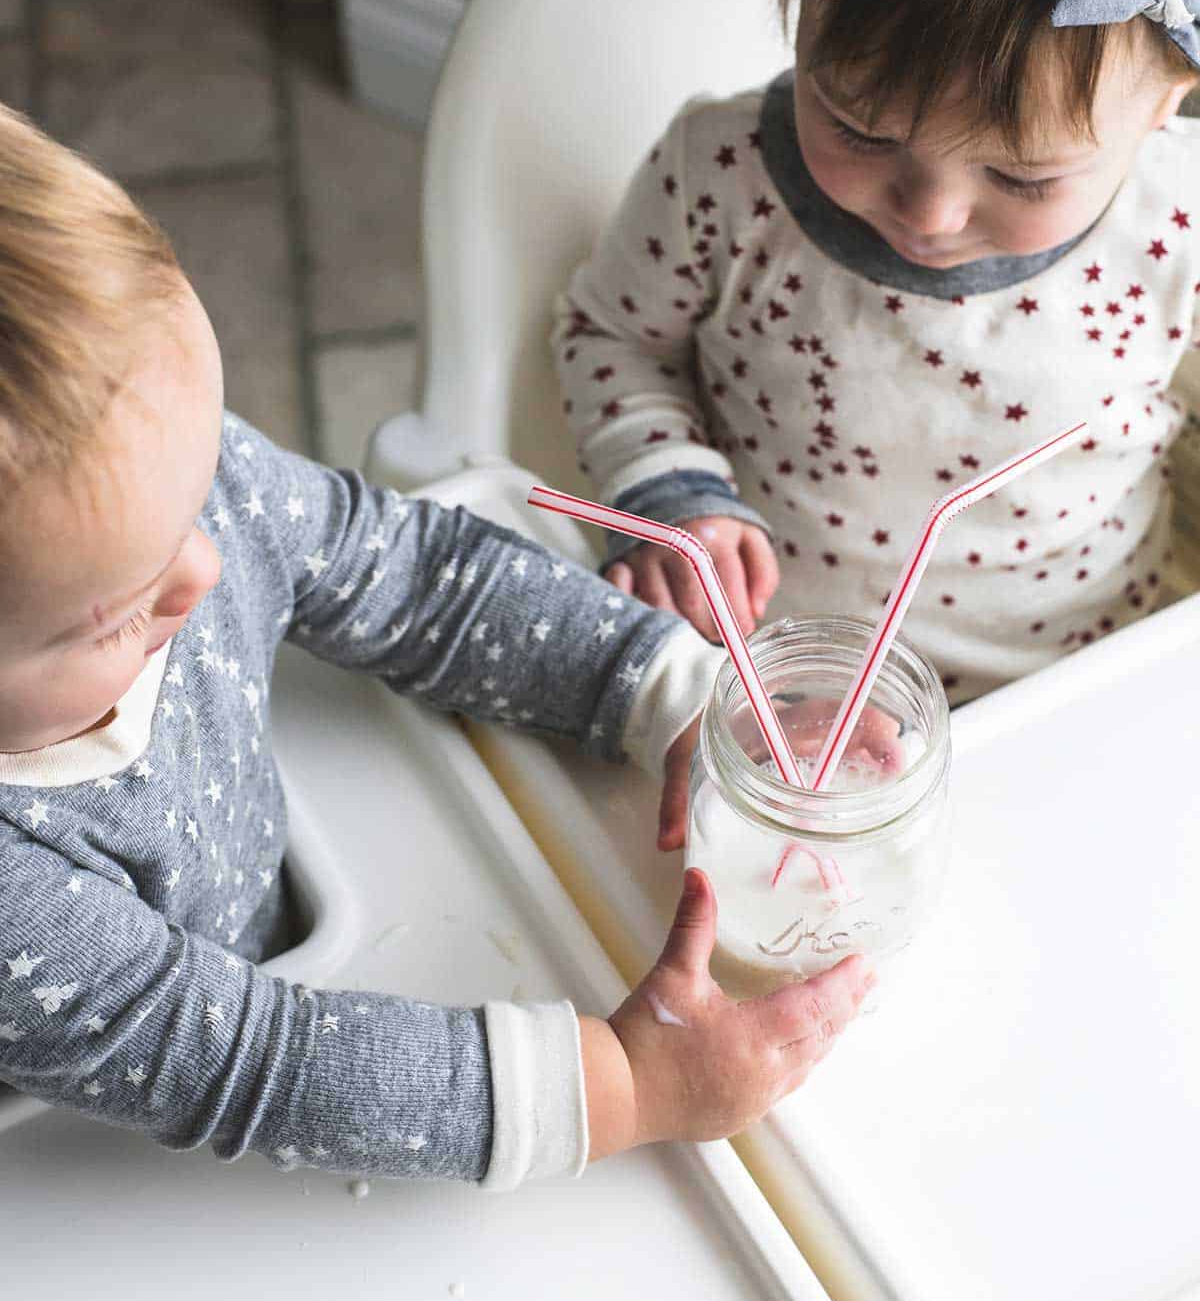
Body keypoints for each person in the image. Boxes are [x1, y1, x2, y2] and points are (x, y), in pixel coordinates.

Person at [0, 101, 872, 1193]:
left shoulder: (174, 493)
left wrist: (667, 688)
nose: (207, 569)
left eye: (197, 503)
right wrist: (628, 1087)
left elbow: (407, 574)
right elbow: (241, 1060)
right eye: (115, 613)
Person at [553, 0, 1200, 720]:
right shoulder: (717, 179)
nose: (930, 214)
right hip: (779, 689)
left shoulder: (1179, 221)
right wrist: (668, 491)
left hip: (1082, 687)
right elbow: (606, 335)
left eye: (1022, 173)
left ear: (1173, 86)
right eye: (859, 126)